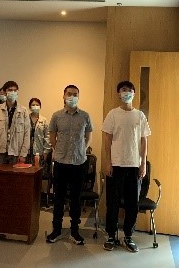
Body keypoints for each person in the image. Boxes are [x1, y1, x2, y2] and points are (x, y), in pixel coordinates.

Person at [102, 80, 151, 253]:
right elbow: (107, 139)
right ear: (119, 94)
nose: (127, 92)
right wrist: (108, 161)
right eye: (124, 90)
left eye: (130, 90)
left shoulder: (140, 116)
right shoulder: (113, 114)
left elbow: (144, 141)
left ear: (134, 94)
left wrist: (143, 163)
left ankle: (128, 236)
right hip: (116, 164)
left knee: (132, 204)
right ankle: (111, 236)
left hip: (134, 165)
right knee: (112, 203)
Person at [46, 84, 93, 245]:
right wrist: (58, 149)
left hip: (78, 163)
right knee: (58, 198)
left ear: (78, 97)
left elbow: (88, 136)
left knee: (75, 199)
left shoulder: (85, 116)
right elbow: (52, 136)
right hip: (61, 162)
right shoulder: (57, 116)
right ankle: (56, 230)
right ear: (64, 96)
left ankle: (74, 231)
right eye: (69, 94)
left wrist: (82, 150)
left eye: (75, 94)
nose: (72, 96)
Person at [0, 80, 30, 164]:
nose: (12, 92)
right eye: (10, 90)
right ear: (5, 92)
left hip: (16, 153)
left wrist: (23, 154)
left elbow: (27, 134)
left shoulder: (23, 111)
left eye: (15, 90)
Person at [28, 97, 51, 165]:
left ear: (40, 107)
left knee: (38, 169)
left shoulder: (44, 120)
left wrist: (46, 151)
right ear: (30, 107)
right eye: (33, 105)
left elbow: (47, 137)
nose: (35, 106)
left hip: (39, 151)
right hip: (27, 152)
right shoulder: (25, 119)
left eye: (37, 105)